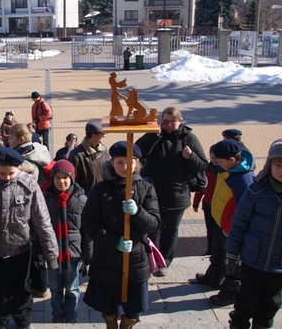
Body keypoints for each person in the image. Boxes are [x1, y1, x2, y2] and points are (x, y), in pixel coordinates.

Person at [225, 138, 282, 329]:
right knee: (245, 301)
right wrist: (231, 254)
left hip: (281, 264)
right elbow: (239, 224)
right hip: (252, 259)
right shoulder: (256, 191)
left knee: (270, 304)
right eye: (277, 166)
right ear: (270, 166)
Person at [0, 147, 58, 329]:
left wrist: (51, 254)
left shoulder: (29, 186)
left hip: (21, 250)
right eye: (2, 173)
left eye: (11, 173)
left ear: (19, 168)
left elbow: (42, 221)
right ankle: (0, 324)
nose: (7, 177)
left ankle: (23, 323)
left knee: (22, 291)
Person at [82, 141, 160, 329]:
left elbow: (154, 223)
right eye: (119, 162)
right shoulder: (101, 190)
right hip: (107, 259)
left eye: (130, 162)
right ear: (112, 162)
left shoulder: (146, 188)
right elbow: (90, 223)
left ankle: (127, 325)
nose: (125, 167)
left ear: (137, 163)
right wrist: (113, 241)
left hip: (135, 259)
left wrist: (138, 212)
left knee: (134, 308)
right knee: (108, 307)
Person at [135, 106, 207, 276]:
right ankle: (152, 259)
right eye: (164, 121)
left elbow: (203, 164)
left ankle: (164, 262)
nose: (167, 125)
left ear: (180, 121)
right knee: (153, 227)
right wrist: (154, 135)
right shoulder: (155, 135)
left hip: (177, 194)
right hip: (153, 193)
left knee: (171, 229)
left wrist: (191, 158)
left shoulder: (189, 138)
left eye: (171, 122)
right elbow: (138, 152)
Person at [198, 139, 255, 307]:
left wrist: (229, 229)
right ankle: (214, 277)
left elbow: (243, 211)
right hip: (220, 223)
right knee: (218, 252)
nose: (217, 164)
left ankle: (230, 292)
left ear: (232, 160)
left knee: (234, 262)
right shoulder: (228, 170)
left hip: (231, 230)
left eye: (220, 161)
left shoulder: (244, 179)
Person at [43, 159, 91, 324]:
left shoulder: (81, 200)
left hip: (73, 252)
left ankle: (71, 318)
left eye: (65, 177)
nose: (61, 181)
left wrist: (88, 256)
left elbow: (87, 231)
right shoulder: (47, 199)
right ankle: (57, 316)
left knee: (72, 288)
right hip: (53, 252)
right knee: (55, 288)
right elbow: (41, 228)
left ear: (72, 178)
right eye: (57, 178)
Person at [191, 145, 220, 256]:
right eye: (211, 153)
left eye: (215, 154)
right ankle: (210, 249)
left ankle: (217, 251)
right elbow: (201, 188)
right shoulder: (206, 168)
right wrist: (195, 203)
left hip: (219, 205)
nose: (212, 156)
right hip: (207, 204)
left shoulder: (223, 170)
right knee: (210, 229)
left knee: (218, 230)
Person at [68, 121, 109, 194]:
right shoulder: (76, 155)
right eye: (102, 134)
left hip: (103, 192)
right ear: (93, 136)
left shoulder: (104, 150)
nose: (104, 136)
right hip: (85, 195)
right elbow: (72, 180)